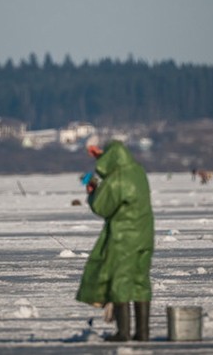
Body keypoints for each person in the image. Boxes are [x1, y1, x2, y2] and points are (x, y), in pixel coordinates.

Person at [76, 141, 154, 342]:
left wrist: (92, 192)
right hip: (145, 235)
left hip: (124, 238)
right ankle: (143, 333)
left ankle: (124, 332)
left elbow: (102, 207)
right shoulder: (138, 171)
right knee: (140, 281)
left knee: (120, 281)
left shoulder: (118, 178)